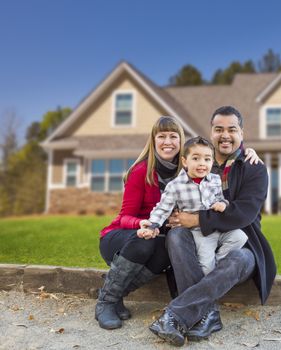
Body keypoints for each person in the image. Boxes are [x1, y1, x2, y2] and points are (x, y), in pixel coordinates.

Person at [96, 115, 260, 330]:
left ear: (181, 144)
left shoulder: (190, 169)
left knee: (167, 248)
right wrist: (144, 224)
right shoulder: (141, 172)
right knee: (147, 241)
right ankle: (106, 301)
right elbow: (123, 217)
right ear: (153, 140)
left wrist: (247, 151)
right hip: (124, 236)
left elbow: (218, 152)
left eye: (173, 136)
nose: (167, 142)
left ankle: (119, 295)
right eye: (161, 136)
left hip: (159, 237)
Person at [149, 106, 277, 346]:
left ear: (242, 132)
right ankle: (208, 315)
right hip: (197, 242)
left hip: (240, 243)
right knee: (176, 236)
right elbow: (163, 157)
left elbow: (244, 215)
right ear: (211, 132)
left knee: (240, 259)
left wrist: (197, 218)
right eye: (219, 129)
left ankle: (176, 314)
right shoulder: (198, 159)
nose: (225, 135)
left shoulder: (253, 167)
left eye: (232, 129)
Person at [141, 136, 247, 276]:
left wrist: (223, 204)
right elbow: (162, 208)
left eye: (207, 159)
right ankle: (210, 273)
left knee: (240, 236)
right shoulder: (175, 186)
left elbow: (220, 198)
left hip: (218, 227)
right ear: (185, 161)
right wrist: (152, 226)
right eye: (196, 158)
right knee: (206, 269)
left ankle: (220, 262)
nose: (202, 163)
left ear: (212, 161)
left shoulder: (215, 180)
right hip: (200, 233)